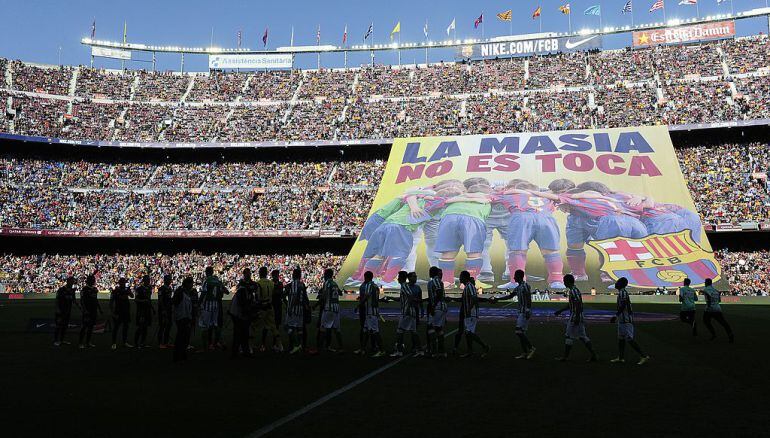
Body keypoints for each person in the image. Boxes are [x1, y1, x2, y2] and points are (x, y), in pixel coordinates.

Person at [554, 274, 597, 362]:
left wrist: (576, 316)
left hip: (575, 316)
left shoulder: (573, 291)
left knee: (568, 335)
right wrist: (561, 310)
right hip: (578, 315)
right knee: (583, 336)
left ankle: (565, 357)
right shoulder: (574, 290)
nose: (564, 283)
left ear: (568, 281)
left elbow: (577, 304)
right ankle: (594, 355)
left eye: (564, 281)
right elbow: (572, 304)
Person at [495, 270, 535, 359]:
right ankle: (524, 352)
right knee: (521, 332)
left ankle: (531, 348)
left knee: (518, 331)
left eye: (515, 276)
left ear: (519, 276)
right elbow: (510, 296)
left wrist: (528, 310)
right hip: (521, 312)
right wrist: (498, 299)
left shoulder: (525, 286)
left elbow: (528, 298)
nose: (514, 278)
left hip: (525, 312)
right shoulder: (518, 287)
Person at [610, 278, 651, 365]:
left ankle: (643, 356)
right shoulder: (621, 292)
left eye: (617, 282)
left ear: (621, 284)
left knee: (629, 339)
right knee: (621, 338)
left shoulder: (623, 293)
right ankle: (621, 357)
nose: (616, 283)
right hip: (622, 319)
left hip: (626, 319)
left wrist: (616, 316)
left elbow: (623, 305)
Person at [458, 271, 491, 358]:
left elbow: (474, 298)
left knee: (468, 332)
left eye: (460, 276)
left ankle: (485, 346)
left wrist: (469, 309)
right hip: (468, 313)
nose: (459, 278)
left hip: (471, 313)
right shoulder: (467, 287)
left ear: (464, 277)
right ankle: (470, 351)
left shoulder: (470, 286)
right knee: (468, 333)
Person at [391, 271, 422, 357]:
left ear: (401, 278)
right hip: (411, 312)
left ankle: (399, 350)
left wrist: (408, 309)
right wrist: (391, 297)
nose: (397, 278)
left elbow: (410, 297)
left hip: (407, 312)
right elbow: (405, 298)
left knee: (400, 331)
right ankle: (419, 349)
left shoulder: (404, 286)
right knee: (413, 332)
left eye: (398, 277)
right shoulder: (405, 286)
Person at [230, 268, 256, 359]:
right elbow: (242, 304)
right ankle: (236, 353)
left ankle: (244, 352)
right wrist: (249, 313)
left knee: (244, 333)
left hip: (239, 312)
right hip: (238, 313)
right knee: (239, 333)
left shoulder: (245, 287)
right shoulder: (242, 289)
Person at [200, 266, 228, 351]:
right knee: (216, 325)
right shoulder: (218, 281)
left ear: (206, 272)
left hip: (208, 305)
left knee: (205, 326)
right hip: (217, 305)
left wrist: (198, 303)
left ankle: (206, 346)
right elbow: (226, 291)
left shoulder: (207, 281)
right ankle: (217, 343)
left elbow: (203, 293)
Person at [255, 267, 282, 352]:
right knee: (273, 327)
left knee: (254, 326)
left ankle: (251, 346)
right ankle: (279, 345)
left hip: (263, 307)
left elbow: (257, 297)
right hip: (271, 307)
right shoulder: (271, 283)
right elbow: (275, 293)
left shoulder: (258, 283)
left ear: (260, 273)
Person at [358, 271, 385, 357]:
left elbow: (366, 297)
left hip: (370, 312)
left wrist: (359, 305)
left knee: (375, 331)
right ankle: (362, 349)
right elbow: (375, 298)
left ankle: (381, 350)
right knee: (365, 330)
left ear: (366, 277)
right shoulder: (375, 286)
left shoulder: (369, 285)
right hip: (371, 311)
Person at [285, 268, 310, 355]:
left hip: (294, 309)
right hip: (300, 310)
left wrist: (290, 307)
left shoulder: (294, 284)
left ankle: (294, 345)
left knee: (289, 328)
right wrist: (307, 306)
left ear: (293, 275)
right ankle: (299, 345)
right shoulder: (302, 284)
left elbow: (295, 296)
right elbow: (305, 297)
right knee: (299, 328)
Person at [319, 268, 344, 353]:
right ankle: (341, 348)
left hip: (328, 308)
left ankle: (320, 348)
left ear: (326, 275)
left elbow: (324, 295)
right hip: (336, 308)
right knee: (337, 330)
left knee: (323, 328)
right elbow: (340, 293)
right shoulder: (335, 284)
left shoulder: (327, 283)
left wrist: (316, 305)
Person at [702, 278, 734, 343]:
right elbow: (719, 300)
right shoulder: (716, 290)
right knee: (723, 323)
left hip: (710, 309)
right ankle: (730, 334)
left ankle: (713, 334)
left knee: (706, 321)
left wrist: (708, 306)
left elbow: (708, 299)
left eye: (705, 282)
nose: (704, 283)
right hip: (718, 308)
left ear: (707, 283)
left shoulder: (705, 290)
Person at [427, 267, 447, 358]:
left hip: (437, 307)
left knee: (431, 328)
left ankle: (435, 351)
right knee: (439, 329)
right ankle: (441, 351)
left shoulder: (435, 281)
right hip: (440, 306)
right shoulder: (438, 281)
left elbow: (438, 293)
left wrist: (433, 306)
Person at [172, 276, 194, 362]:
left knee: (184, 337)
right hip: (182, 317)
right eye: (191, 283)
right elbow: (174, 302)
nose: (192, 285)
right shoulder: (180, 292)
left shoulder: (185, 292)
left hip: (185, 317)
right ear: (187, 284)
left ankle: (181, 354)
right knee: (181, 337)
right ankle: (178, 356)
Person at [110, 277, 134, 350]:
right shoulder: (115, 291)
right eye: (122, 282)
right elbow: (111, 302)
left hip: (126, 311)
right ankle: (114, 343)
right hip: (118, 311)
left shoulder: (126, 290)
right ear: (119, 283)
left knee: (125, 327)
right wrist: (112, 312)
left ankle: (124, 342)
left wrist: (129, 291)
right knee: (116, 328)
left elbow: (132, 296)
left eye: (124, 282)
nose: (123, 283)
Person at [53, 276, 78, 347]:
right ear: (68, 281)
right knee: (58, 325)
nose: (73, 282)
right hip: (60, 311)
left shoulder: (72, 291)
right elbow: (57, 300)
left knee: (65, 326)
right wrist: (57, 309)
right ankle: (56, 340)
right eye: (72, 281)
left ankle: (61, 340)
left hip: (68, 311)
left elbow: (74, 300)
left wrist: (79, 306)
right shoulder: (61, 289)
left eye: (73, 281)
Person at [78, 274, 101, 349]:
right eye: (93, 280)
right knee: (84, 327)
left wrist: (99, 309)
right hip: (87, 311)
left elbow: (95, 300)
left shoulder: (94, 289)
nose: (94, 281)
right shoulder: (84, 289)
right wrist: (84, 310)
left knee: (91, 327)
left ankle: (88, 342)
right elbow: (82, 301)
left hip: (93, 310)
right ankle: (80, 343)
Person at [133, 275, 154, 349]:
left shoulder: (150, 288)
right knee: (140, 327)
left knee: (145, 327)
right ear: (144, 280)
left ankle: (142, 343)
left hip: (147, 310)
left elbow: (149, 299)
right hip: (141, 311)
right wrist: (143, 301)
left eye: (149, 279)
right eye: (147, 280)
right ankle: (136, 343)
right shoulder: (139, 289)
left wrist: (152, 309)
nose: (148, 281)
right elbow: (136, 300)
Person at [157, 274, 174, 348]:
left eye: (170, 279)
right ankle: (160, 343)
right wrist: (163, 310)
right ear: (165, 280)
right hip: (163, 310)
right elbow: (160, 300)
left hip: (169, 309)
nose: (170, 280)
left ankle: (166, 342)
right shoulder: (161, 289)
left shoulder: (170, 288)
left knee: (169, 326)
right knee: (162, 326)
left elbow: (169, 299)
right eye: (169, 279)